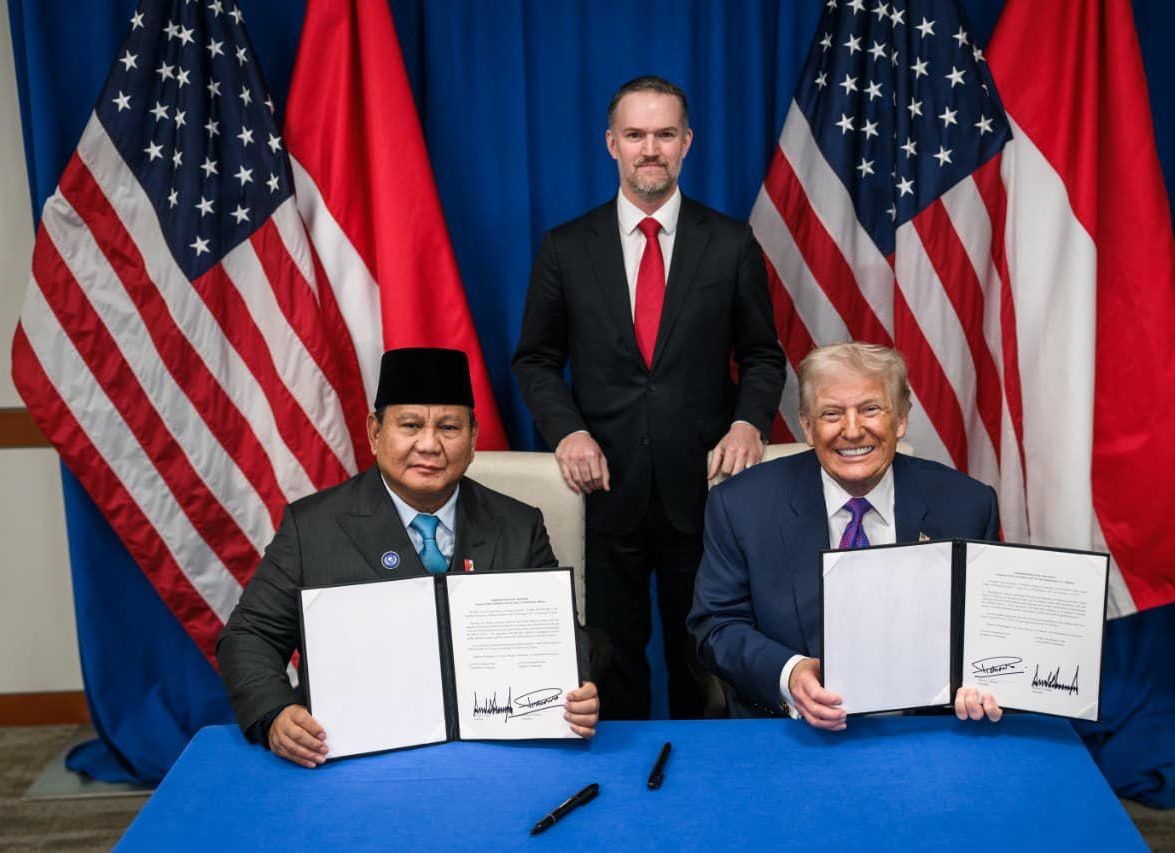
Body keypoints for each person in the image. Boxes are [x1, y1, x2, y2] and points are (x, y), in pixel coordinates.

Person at [512, 75, 786, 720]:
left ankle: (708, 773)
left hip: (708, 491)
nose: (650, 149)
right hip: (605, 489)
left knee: (706, 659)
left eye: (665, 134)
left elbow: (763, 355)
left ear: (687, 142)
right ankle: (623, 776)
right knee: (612, 659)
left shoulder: (731, 243)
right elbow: (536, 360)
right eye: (635, 135)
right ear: (612, 144)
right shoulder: (566, 247)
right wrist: (569, 432)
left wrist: (748, 424)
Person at [217, 347, 600, 767]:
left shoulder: (519, 525)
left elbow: (563, 635)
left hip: (493, 756)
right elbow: (250, 636)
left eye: (449, 427)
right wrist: (275, 713)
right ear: (375, 432)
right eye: (411, 425)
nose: (429, 445)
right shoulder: (311, 527)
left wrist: (577, 685)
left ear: (473, 438)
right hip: (350, 759)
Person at [687, 342, 1003, 730]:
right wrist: (790, 674)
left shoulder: (967, 504)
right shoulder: (741, 506)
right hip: (789, 731)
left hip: (926, 730)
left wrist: (983, 679)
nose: (852, 431)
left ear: (901, 419)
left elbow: (990, 629)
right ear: (807, 426)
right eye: (831, 413)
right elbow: (716, 626)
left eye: (870, 410)